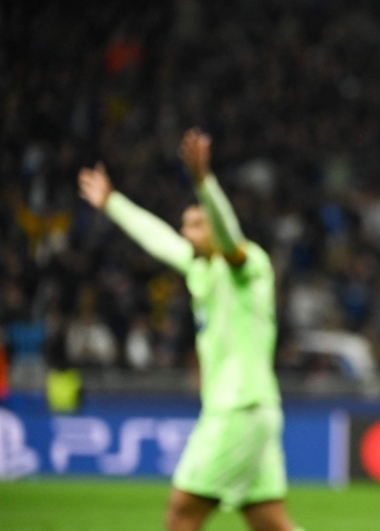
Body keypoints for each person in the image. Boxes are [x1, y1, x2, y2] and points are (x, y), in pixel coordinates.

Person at [77, 129, 301, 531]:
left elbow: (229, 237)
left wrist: (204, 183)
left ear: (215, 225)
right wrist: (113, 203)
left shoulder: (249, 267)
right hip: (254, 410)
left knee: (182, 512)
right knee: (270, 522)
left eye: (196, 223)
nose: (186, 232)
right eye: (185, 224)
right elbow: (160, 240)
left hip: (238, 409)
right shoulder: (203, 269)